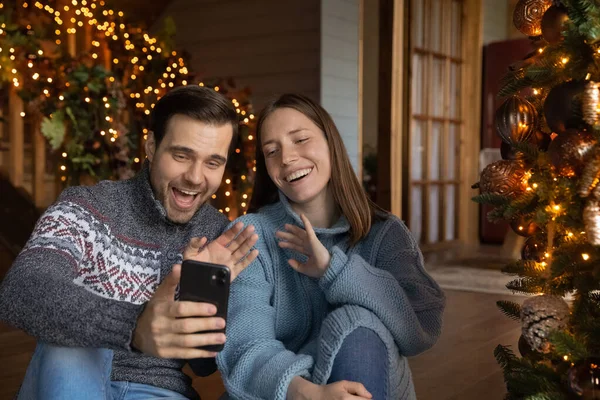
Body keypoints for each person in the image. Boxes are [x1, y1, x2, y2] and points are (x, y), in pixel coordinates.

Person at [0, 85, 259, 400]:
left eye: (212, 163)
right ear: (151, 146)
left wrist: (202, 291)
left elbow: (203, 367)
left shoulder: (219, 233)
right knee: (71, 346)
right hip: (69, 376)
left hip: (158, 391)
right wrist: (134, 327)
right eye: (182, 155)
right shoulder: (88, 206)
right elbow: (21, 288)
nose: (195, 177)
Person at [215, 93, 446, 399]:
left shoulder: (385, 234)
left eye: (300, 139)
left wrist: (332, 270)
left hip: (369, 380)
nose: (287, 158)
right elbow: (246, 344)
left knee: (357, 323)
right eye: (272, 151)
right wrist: (308, 392)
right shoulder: (250, 235)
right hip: (283, 394)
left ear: (330, 142)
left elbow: (421, 327)